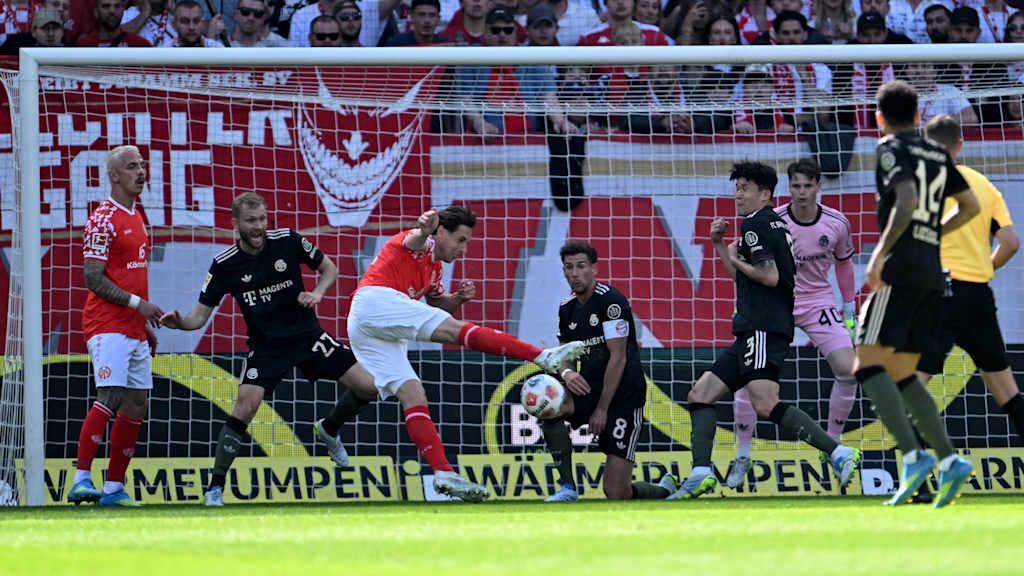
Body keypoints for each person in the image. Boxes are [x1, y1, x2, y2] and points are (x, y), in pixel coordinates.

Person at [345, 206, 584, 501]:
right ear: (441, 232)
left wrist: (456, 298)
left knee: (413, 393)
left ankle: (443, 472)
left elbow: (435, 307)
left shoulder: (434, 270)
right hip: (374, 302)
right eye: (461, 240)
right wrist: (423, 228)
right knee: (458, 331)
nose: (463, 249)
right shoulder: (419, 242)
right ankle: (542, 356)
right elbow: (415, 240)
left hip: (368, 328)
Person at [159, 193, 380, 506]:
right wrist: (180, 323)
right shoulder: (224, 265)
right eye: (251, 221)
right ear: (236, 224)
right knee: (245, 406)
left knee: (370, 387)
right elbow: (198, 317)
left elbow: (329, 269)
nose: (259, 227)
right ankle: (214, 488)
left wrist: (317, 293)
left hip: (308, 336)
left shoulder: (288, 240)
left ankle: (329, 428)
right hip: (267, 347)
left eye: (262, 219)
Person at [667, 161, 862, 500]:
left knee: (765, 403)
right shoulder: (773, 223)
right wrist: (719, 246)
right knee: (700, 395)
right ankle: (701, 472)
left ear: (765, 193)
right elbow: (750, 275)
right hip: (753, 329)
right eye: (737, 188)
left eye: (745, 188)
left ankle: (837, 451)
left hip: (763, 327)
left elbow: (769, 277)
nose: (738, 194)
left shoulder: (756, 224)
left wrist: (736, 257)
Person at [853, 80, 980, 508]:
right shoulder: (938, 153)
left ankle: (914, 456)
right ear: (918, 115)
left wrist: (880, 255)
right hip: (931, 270)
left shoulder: (890, 148)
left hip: (902, 268)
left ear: (880, 117)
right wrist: (933, 236)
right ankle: (949, 459)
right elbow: (972, 207)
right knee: (902, 372)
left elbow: (906, 199)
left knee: (865, 362)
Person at [726, 159, 859, 488]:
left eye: (807, 186)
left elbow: (843, 266)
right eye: (795, 186)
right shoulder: (771, 221)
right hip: (777, 304)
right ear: (787, 189)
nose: (801, 192)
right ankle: (743, 453)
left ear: (818, 187)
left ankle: (832, 445)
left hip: (817, 303)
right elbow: (749, 267)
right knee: (749, 377)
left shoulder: (837, 223)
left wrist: (849, 309)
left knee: (848, 369)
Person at [540, 241, 677, 502]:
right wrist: (568, 374)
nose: (574, 273)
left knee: (616, 493)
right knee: (550, 406)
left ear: (594, 269)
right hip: (589, 388)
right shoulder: (566, 307)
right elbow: (565, 354)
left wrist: (602, 409)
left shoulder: (611, 302)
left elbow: (618, 357)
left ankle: (665, 490)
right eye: (568, 267)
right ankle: (567, 487)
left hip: (623, 396)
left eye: (581, 266)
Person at [915, 114, 1024, 444]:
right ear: (960, 145)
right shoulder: (983, 185)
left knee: (910, 388)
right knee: (1007, 391)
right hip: (977, 296)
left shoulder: (919, 184)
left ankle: (919, 486)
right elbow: (1010, 243)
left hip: (938, 294)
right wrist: (984, 269)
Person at [67, 146, 165, 507]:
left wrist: (142, 322)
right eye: (132, 166)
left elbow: (131, 276)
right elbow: (93, 279)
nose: (141, 171)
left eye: (142, 165)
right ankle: (80, 480)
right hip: (106, 324)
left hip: (133, 327)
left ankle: (113, 488)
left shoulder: (136, 215)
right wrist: (141, 306)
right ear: (114, 175)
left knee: (138, 402)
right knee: (110, 395)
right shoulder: (102, 219)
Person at [75, 0, 152, 46]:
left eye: (117, 6)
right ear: (96, 12)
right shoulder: (84, 45)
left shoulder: (139, 45)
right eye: (106, 6)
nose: (112, 11)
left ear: (123, 11)